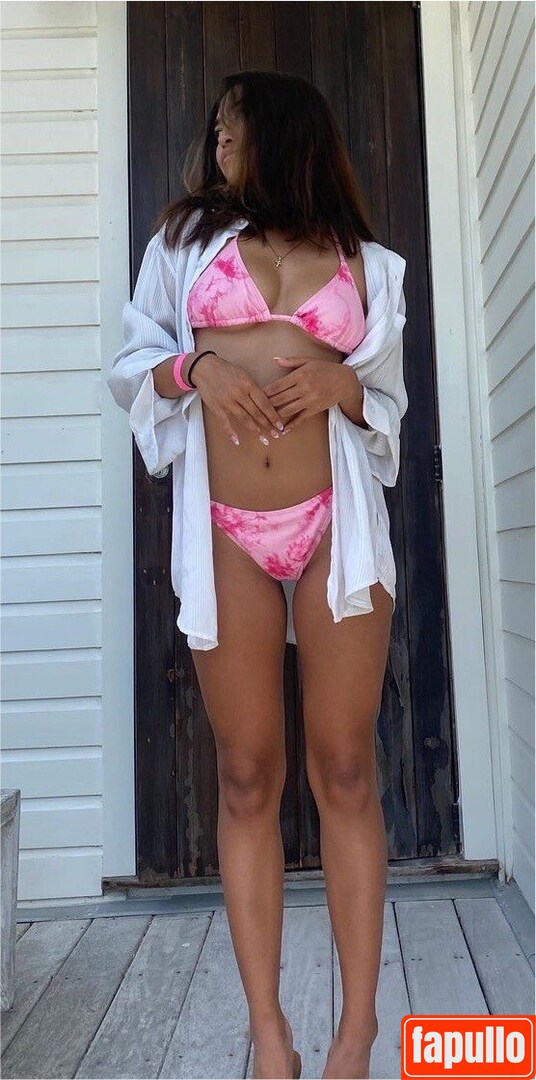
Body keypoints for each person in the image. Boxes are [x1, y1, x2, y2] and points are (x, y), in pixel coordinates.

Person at [108, 70, 408, 1080]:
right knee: (245, 776)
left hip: (335, 532)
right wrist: (194, 368)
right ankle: (270, 1035)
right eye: (214, 130)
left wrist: (343, 386)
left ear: (280, 132)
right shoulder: (183, 245)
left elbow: (387, 407)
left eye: (231, 127)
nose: (218, 144)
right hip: (227, 533)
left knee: (345, 769)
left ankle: (355, 1035)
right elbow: (132, 363)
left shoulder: (364, 263)